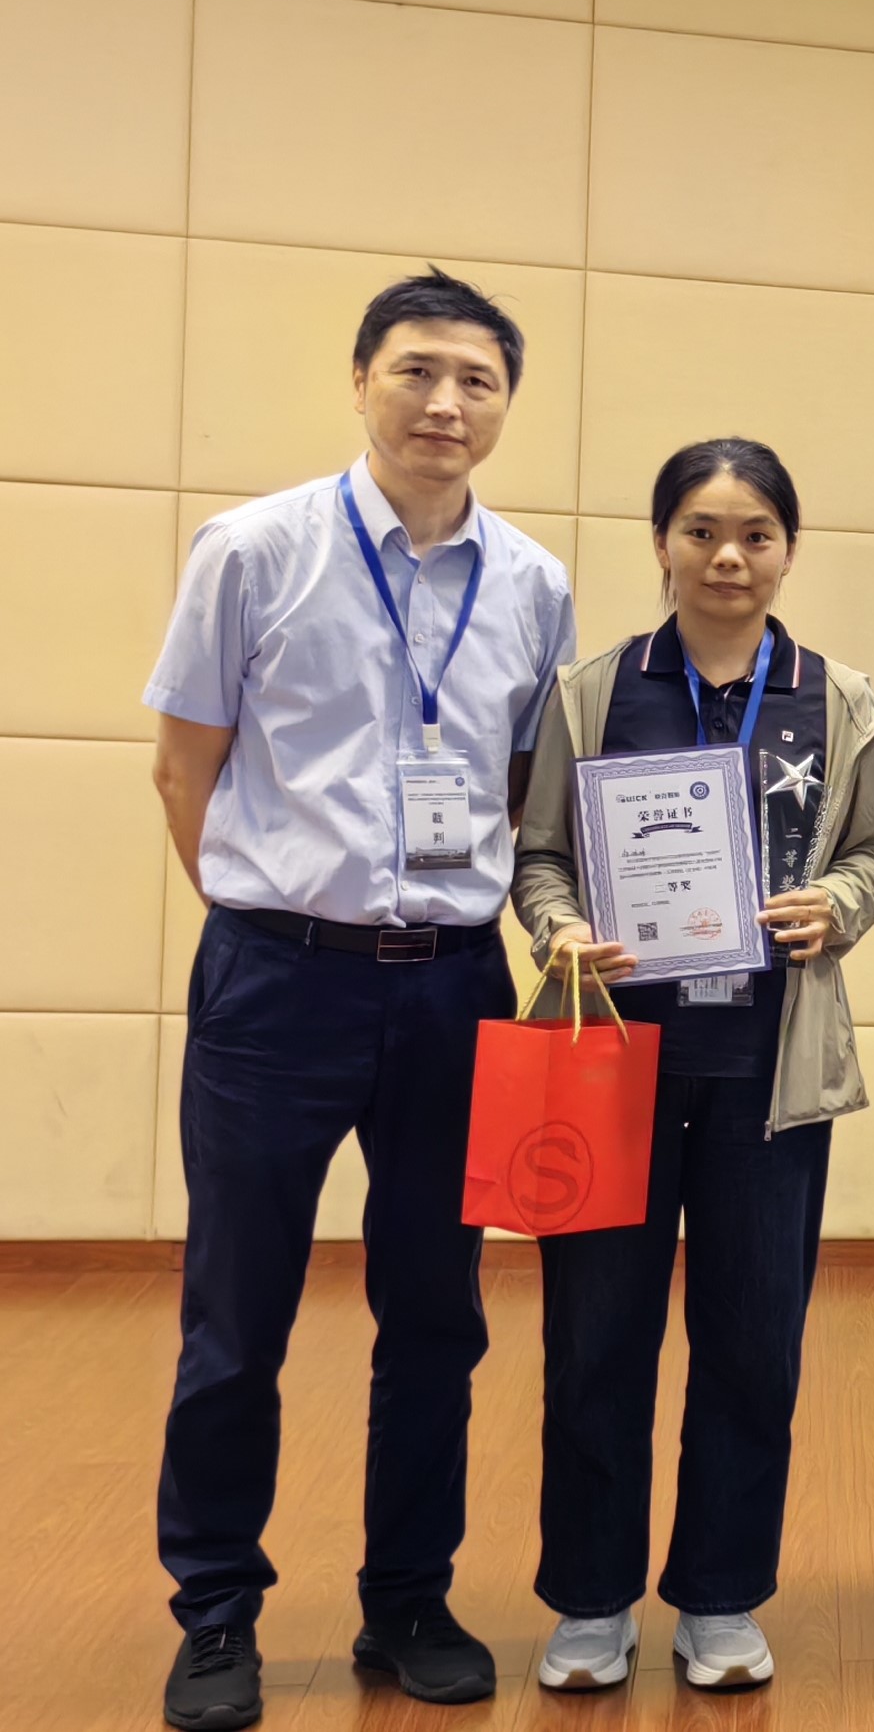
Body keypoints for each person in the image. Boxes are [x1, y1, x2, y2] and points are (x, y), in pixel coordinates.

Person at [144, 270, 576, 1731]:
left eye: (477, 379)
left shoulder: (533, 583)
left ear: (504, 403)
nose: (446, 403)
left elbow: (520, 785)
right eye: (417, 371)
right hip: (277, 978)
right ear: (360, 379)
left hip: (454, 986)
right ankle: (216, 1609)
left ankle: (408, 1598)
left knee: (437, 1310)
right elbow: (183, 766)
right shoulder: (254, 548)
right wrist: (272, 919)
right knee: (238, 1312)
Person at [506, 439, 874, 1692]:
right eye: (700, 531)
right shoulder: (592, 692)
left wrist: (837, 905)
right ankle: (591, 1601)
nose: (728, 557)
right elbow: (538, 855)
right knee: (594, 1341)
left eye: (755, 535)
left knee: (752, 1343)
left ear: (788, 550)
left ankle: (721, 1598)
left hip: (766, 1074)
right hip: (611, 1066)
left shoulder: (837, 699)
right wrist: (559, 927)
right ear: (662, 545)